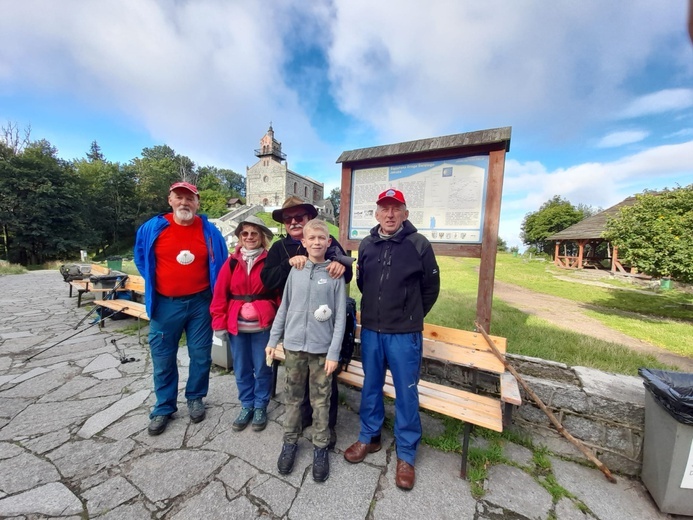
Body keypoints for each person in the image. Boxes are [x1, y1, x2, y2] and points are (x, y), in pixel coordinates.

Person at [344, 188, 440, 491]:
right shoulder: (368, 244)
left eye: (396, 208)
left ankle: (406, 454)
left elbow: (431, 287)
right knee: (370, 387)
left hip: (404, 335)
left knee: (406, 393)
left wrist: (409, 315)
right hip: (371, 331)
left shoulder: (418, 245)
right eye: (384, 208)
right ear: (376, 213)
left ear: (405, 214)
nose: (389, 214)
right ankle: (369, 438)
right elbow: (363, 281)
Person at [134, 181, 228, 436]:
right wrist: (160, 283)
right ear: (170, 200)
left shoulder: (209, 231)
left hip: (200, 303)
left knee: (201, 355)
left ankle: (195, 397)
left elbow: (221, 263)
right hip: (166, 304)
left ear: (198, 203)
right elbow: (141, 259)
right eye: (179, 197)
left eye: (190, 198)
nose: (184, 202)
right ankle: (164, 406)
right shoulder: (153, 227)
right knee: (163, 357)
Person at [261, 196, 353, 449]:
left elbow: (346, 269)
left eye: (298, 217)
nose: (293, 222)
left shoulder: (324, 242)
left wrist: (339, 265)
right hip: (294, 326)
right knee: (295, 390)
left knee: (323, 390)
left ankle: (324, 431)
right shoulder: (280, 248)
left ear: (307, 219)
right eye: (288, 219)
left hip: (321, 331)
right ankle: (297, 429)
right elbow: (268, 280)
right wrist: (288, 264)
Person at [210, 215, 280, 433]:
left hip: (263, 325)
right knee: (241, 368)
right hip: (236, 325)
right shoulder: (231, 262)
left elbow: (279, 295)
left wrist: (280, 326)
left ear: (262, 237)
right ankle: (246, 405)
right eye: (245, 234)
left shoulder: (270, 261)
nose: (249, 237)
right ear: (240, 237)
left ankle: (260, 405)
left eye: (254, 233)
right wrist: (218, 323)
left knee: (262, 367)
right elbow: (220, 294)